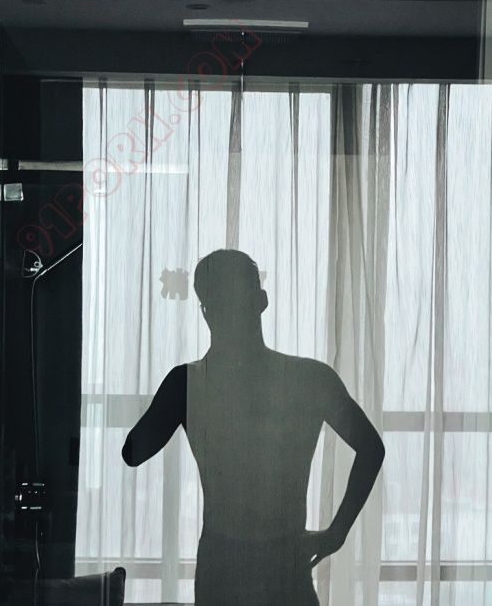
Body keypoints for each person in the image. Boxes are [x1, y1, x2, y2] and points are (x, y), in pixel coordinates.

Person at [122, 249, 384, 605]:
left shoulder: (188, 383)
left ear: (205, 311)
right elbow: (371, 447)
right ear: (261, 301)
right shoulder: (308, 379)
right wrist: (336, 533)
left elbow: (133, 452)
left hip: (231, 562)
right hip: (268, 561)